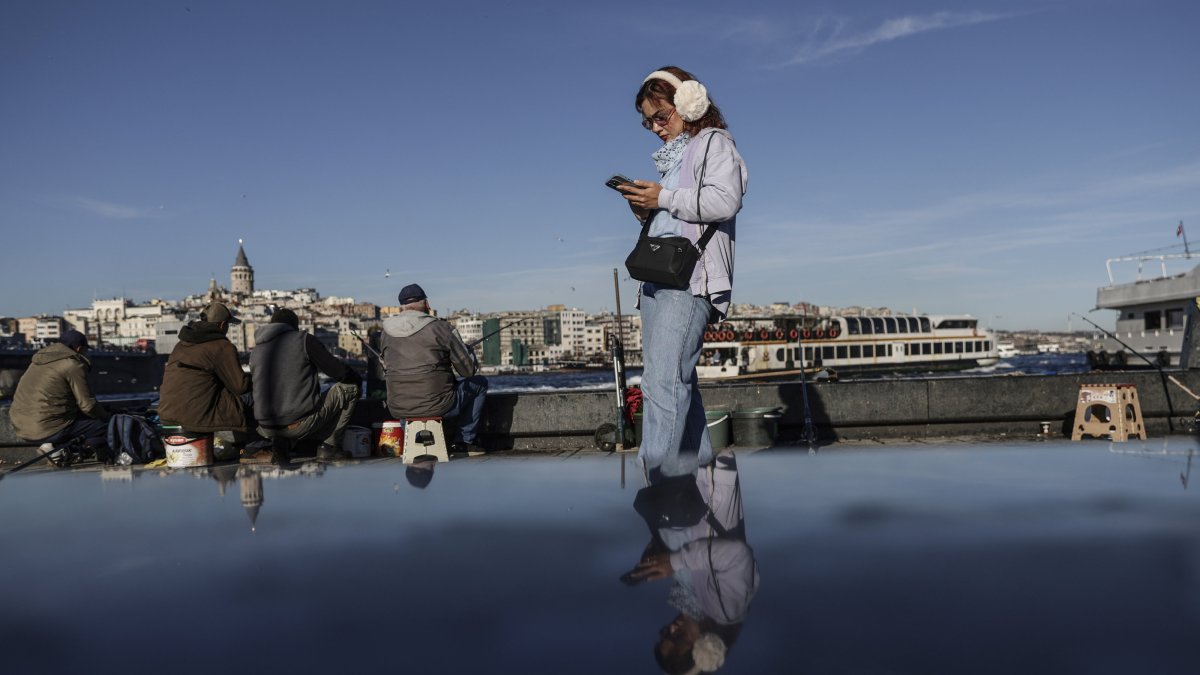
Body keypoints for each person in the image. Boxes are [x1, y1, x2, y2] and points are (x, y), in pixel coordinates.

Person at [617, 66, 748, 479]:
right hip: (658, 280)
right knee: (677, 383)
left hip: (688, 280)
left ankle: (659, 483)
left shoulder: (714, 143)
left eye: (661, 116)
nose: (655, 127)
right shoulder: (674, 159)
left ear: (688, 103)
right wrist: (646, 208)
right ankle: (702, 487)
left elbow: (724, 202)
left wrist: (665, 197)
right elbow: (678, 216)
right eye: (647, 121)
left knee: (662, 383)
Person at [380, 283, 488, 455]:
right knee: (479, 383)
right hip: (440, 406)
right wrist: (469, 352)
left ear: (402, 306)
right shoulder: (441, 328)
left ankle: (410, 438)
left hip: (398, 408)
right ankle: (464, 442)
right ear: (427, 304)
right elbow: (468, 371)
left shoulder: (385, 332)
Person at [249, 308, 361, 461]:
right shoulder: (303, 340)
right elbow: (338, 371)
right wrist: (357, 378)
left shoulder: (257, 349)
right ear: (294, 326)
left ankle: (280, 444)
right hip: (297, 424)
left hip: (265, 428)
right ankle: (329, 447)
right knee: (351, 388)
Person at [158, 302, 257, 451]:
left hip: (167, 414)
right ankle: (259, 446)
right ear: (223, 325)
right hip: (197, 417)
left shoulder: (181, 344)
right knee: (258, 395)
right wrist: (256, 378)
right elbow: (240, 386)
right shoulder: (221, 346)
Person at [9, 330, 111, 458]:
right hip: (46, 428)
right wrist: (107, 416)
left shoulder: (38, 362)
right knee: (105, 427)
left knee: (80, 423)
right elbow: (88, 406)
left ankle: (53, 446)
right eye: (85, 350)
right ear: (78, 348)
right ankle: (57, 448)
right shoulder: (72, 365)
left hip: (20, 425)